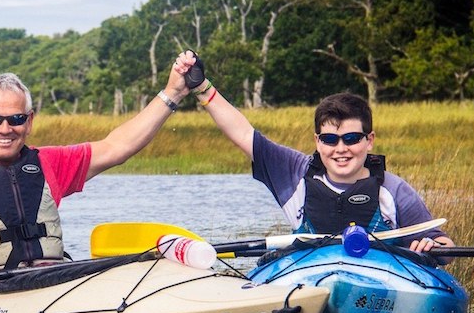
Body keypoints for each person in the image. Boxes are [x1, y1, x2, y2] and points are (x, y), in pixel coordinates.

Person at [0, 67, 189, 285]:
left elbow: (118, 146)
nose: (4, 129)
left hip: (49, 287)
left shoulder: (49, 163)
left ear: (29, 121)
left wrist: (173, 92)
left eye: (16, 119)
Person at [173, 50, 455, 258]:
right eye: (330, 139)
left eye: (352, 138)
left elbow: (445, 246)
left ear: (369, 141)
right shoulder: (293, 172)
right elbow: (243, 133)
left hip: (380, 288)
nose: (341, 149)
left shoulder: (394, 190)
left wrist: (432, 246)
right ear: (317, 141)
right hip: (309, 283)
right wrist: (201, 87)